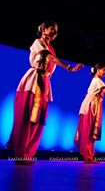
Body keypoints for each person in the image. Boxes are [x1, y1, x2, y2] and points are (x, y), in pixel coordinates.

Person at [6, 20, 84, 165]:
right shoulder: (38, 42)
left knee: (39, 120)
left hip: (45, 84)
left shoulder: (50, 46)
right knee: (27, 118)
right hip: (34, 82)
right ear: (43, 29)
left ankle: (28, 154)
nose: (54, 32)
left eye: (56, 30)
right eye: (51, 28)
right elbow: (50, 57)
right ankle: (20, 154)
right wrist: (69, 67)